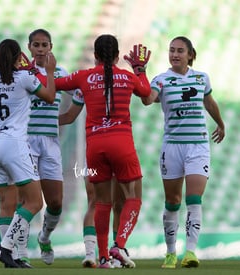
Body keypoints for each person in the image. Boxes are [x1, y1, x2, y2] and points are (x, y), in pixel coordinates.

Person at [37, 35, 151, 268]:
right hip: (122, 144)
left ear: (95, 56)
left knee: (101, 202)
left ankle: (102, 257)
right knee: (134, 197)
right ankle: (118, 246)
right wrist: (140, 69)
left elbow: (53, 85)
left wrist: (45, 70)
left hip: (96, 146)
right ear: (118, 56)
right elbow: (146, 92)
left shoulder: (84, 77)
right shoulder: (127, 76)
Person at [143, 36, 225, 268]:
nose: (175, 54)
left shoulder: (201, 78)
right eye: (171, 50)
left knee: (194, 199)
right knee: (172, 201)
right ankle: (170, 252)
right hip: (172, 146)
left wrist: (220, 123)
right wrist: (140, 73)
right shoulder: (161, 79)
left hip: (197, 145)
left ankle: (190, 252)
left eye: (180, 50)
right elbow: (148, 100)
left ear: (190, 54)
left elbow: (209, 102)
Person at [0, 38, 56, 268]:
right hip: (14, 144)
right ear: (18, 57)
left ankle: (11, 258)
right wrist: (51, 72)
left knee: (6, 203)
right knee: (35, 202)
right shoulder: (24, 77)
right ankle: (4, 248)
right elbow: (50, 96)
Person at [15, 29, 74, 265]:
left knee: (56, 202)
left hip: (50, 141)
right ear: (29, 47)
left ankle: (45, 237)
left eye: (44, 45)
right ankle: (20, 250)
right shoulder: (20, 73)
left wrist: (68, 117)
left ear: (51, 47)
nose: (40, 49)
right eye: (36, 45)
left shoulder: (60, 73)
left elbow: (80, 92)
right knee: (26, 200)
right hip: (26, 140)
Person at [59, 93, 130, 268]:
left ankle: (95, 254)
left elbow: (70, 115)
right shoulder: (122, 80)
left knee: (100, 202)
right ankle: (110, 253)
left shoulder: (87, 82)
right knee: (112, 203)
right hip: (113, 146)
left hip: (95, 146)